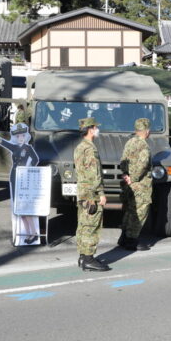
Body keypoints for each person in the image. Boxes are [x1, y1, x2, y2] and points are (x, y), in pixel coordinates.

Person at [0, 123, 41, 245]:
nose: (20, 138)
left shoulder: (28, 148)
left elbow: (35, 159)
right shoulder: (16, 147)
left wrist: (27, 167)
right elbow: (5, 143)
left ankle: (33, 234)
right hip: (15, 177)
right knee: (19, 209)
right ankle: (28, 234)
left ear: (26, 136)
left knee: (25, 208)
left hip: (24, 178)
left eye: (22, 135)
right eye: (18, 136)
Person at [74, 117, 109, 272]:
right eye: (95, 127)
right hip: (91, 194)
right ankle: (88, 258)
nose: (97, 129)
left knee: (83, 225)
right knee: (91, 226)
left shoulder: (79, 147)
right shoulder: (90, 148)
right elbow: (94, 175)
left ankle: (83, 256)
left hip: (82, 192)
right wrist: (100, 193)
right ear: (90, 129)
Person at [119, 117, 153, 252]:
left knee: (129, 211)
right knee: (139, 212)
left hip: (129, 184)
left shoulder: (129, 142)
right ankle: (132, 241)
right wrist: (133, 178)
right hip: (140, 185)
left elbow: (123, 161)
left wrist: (126, 175)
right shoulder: (144, 145)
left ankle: (124, 238)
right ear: (147, 131)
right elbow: (143, 165)